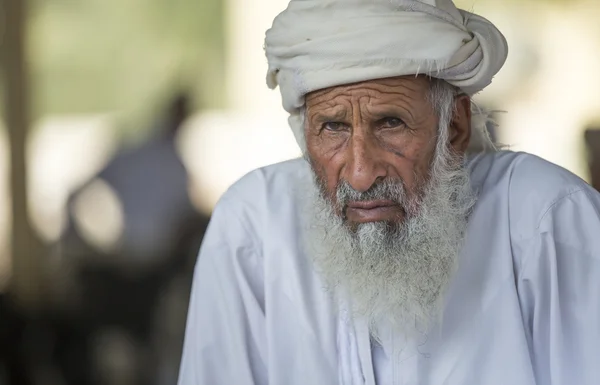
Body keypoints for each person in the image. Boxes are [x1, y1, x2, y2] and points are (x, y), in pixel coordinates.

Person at [178, 1, 600, 384]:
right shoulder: (254, 229)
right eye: (333, 128)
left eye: (391, 124)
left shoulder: (546, 221)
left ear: (454, 127)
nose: (361, 174)